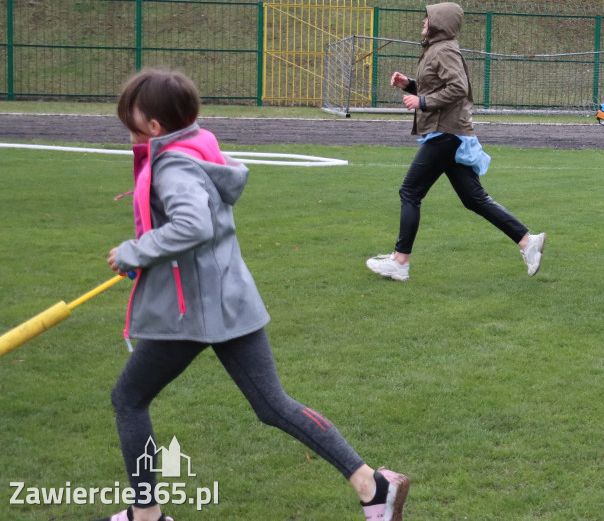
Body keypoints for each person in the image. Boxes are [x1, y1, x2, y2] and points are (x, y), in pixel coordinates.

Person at [97, 70, 409, 521]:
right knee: (272, 405)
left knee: (129, 399)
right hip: (229, 301)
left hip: (195, 313)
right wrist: (146, 258)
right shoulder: (199, 147)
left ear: (154, 127)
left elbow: (193, 226)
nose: (125, 120)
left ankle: (145, 515)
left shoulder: (173, 166)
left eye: (131, 114)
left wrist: (136, 250)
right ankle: (373, 485)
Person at [366, 2, 545, 282]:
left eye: (427, 20)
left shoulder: (445, 49)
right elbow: (439, 84)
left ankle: (400, 262)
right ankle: (527, 241)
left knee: (410, 192)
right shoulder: (436, 49)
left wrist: (421, 101)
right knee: (474, 198)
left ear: (439, 23)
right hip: (448, 132)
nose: (423, 24)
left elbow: (458, 88)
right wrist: (410, 85)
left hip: (445, 133)